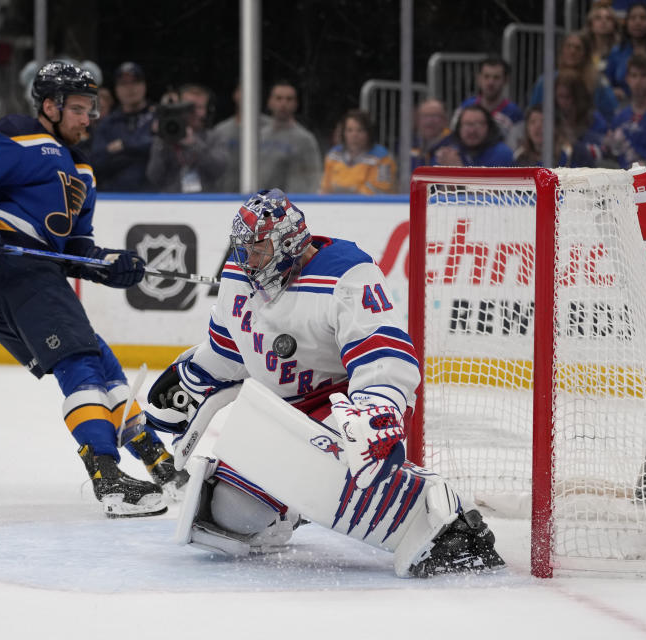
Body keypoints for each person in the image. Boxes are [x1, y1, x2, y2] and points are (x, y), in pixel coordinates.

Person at [143, 188, 505, 578]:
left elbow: (383, 353)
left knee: (332, 470)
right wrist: (193, 379)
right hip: (279, 413)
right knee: (232, 514)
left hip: (342, 405)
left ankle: (445, 517)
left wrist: (377, 407)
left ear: (290, 243)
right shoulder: (238, 274)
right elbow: (228, 349)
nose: (248, 260)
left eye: (259, 249)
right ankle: (292, 508)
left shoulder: (347, 274)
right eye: (242, 248)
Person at [0, 60, 189, 518]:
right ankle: (108, 476)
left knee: (101, 361)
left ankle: (156, 460)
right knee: (82, 363)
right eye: (81, 108)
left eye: (93, 109)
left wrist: (108, 265)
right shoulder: (21, 135)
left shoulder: (82, 171)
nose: (89, 118)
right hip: (10, 272)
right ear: (50, 106)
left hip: (29, 276)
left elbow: (74, 248)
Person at [146, 82, 227, 193]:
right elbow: (154, 177)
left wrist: (194, 144)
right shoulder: (165, 135)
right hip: (170, 203)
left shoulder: (214, 136)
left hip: (206, 203)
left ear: (206, 110)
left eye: (199, 107)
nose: (193, 112)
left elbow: (219, 170)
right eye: (188, 106)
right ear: (178, 106)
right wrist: (163, 140)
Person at [89, 62, 155, 192]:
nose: (130, 88)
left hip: (153, 198)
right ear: (116, 89)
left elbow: (157, 150)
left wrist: (123, 146)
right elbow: (96, 163)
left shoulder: (157, 118)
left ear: (144, 85)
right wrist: (139, 150)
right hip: (114, 199)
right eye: (124, 84)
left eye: (135, 82)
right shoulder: (107, 124)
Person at [529, 31, 619, 126]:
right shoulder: (546, 80)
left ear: (586, 54)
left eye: (578, 48)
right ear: (562, 51)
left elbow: (611, 114)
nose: (572, 51)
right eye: (568, 46)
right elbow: (533, 112)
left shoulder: (598, 82)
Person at [258, 80, 321, 193]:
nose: (283, 104)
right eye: (278, 98)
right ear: (269, 102)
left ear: (296, 104)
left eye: (289, 99)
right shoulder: (259, 136)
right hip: (260, 202)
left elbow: (314, 178)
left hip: (291, 203)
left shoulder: (305, 140)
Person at [319, 109, 396, 195]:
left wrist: (346, 191)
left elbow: (381, 190)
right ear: (343, 133)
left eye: (360, 130)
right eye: (349, 130)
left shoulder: (382, 157)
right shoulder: (333, 155)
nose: (354, 135)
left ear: (369, 133)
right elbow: (325, 188)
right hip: (335, 206)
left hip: (368, 207)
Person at [606, 52, 646, 170]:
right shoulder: (620, 116)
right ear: (627, 79)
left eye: (644, 76)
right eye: (634, 75)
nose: (638, 81)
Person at [458, 56, 524, 142]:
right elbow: (453, 139)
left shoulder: (515, 114)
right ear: (479, 78)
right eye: (486, 76)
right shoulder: (465, 107)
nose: (490, 82)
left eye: (496, 77)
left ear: (506, 80)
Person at [513, 104, 597, 168]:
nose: (538, 126)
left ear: (556, 127)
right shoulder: (520, 157)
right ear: (527, 129)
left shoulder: (575, 153)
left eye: (544, 121)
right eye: (532, 122)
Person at [431, 104, 514, 167]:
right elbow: (433, 188)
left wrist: (458, 171)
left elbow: (493, 189)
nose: (472, 130)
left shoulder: (502, 153)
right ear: (458, 128)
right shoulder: (448, 153)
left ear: (489, 127)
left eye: (479, 124)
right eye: (467, 124)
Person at [606, 3, 646, 103]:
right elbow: (607, 83)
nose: (638, 22)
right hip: (623, 106)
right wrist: (613, 91)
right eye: (633, 18)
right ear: (627, 23)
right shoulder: (617, 52)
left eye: (643, 18)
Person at [410, 98, 450, 170]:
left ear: (445, 120)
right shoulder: (409, 144)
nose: (429, 121)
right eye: (425, 116)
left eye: (435, 116)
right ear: (417, 119)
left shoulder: (453, 146)